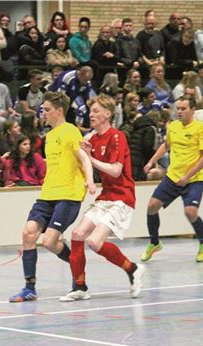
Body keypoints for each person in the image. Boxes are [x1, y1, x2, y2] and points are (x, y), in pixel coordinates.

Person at [9, 91, 95, 303]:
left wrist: (90, 181)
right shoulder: (49, 136)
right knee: (28, 234)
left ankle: (79, 277)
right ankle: (29, 288)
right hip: (48, 193)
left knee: (49, 242)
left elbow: (84, 158)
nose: (43, 113)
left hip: (68, 195)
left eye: (47, 109)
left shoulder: (70, 131)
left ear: (59, 110)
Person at [61, 95, 146, 302]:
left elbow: (116, 171)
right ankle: (80, 287)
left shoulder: (117, 136)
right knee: (78, 234)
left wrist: (91, 158)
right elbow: (85, 163)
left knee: (95, 241)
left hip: (122, 197)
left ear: (108, 114)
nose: (92, 114)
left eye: (96, 111)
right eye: (91, 111)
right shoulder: (90, 139)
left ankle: (132, 268)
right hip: (105, 196)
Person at [141, 96, 203, 263]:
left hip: (193, 179)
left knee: (190, 212)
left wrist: (187, 176)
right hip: (172, 177)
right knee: (152, 206)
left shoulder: (201, 128)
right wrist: (151, 161)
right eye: (177, 108)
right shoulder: (173, 126)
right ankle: (155, 243)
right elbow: (166, 146)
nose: (179, 111)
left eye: (183, 108)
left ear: (193, 109)